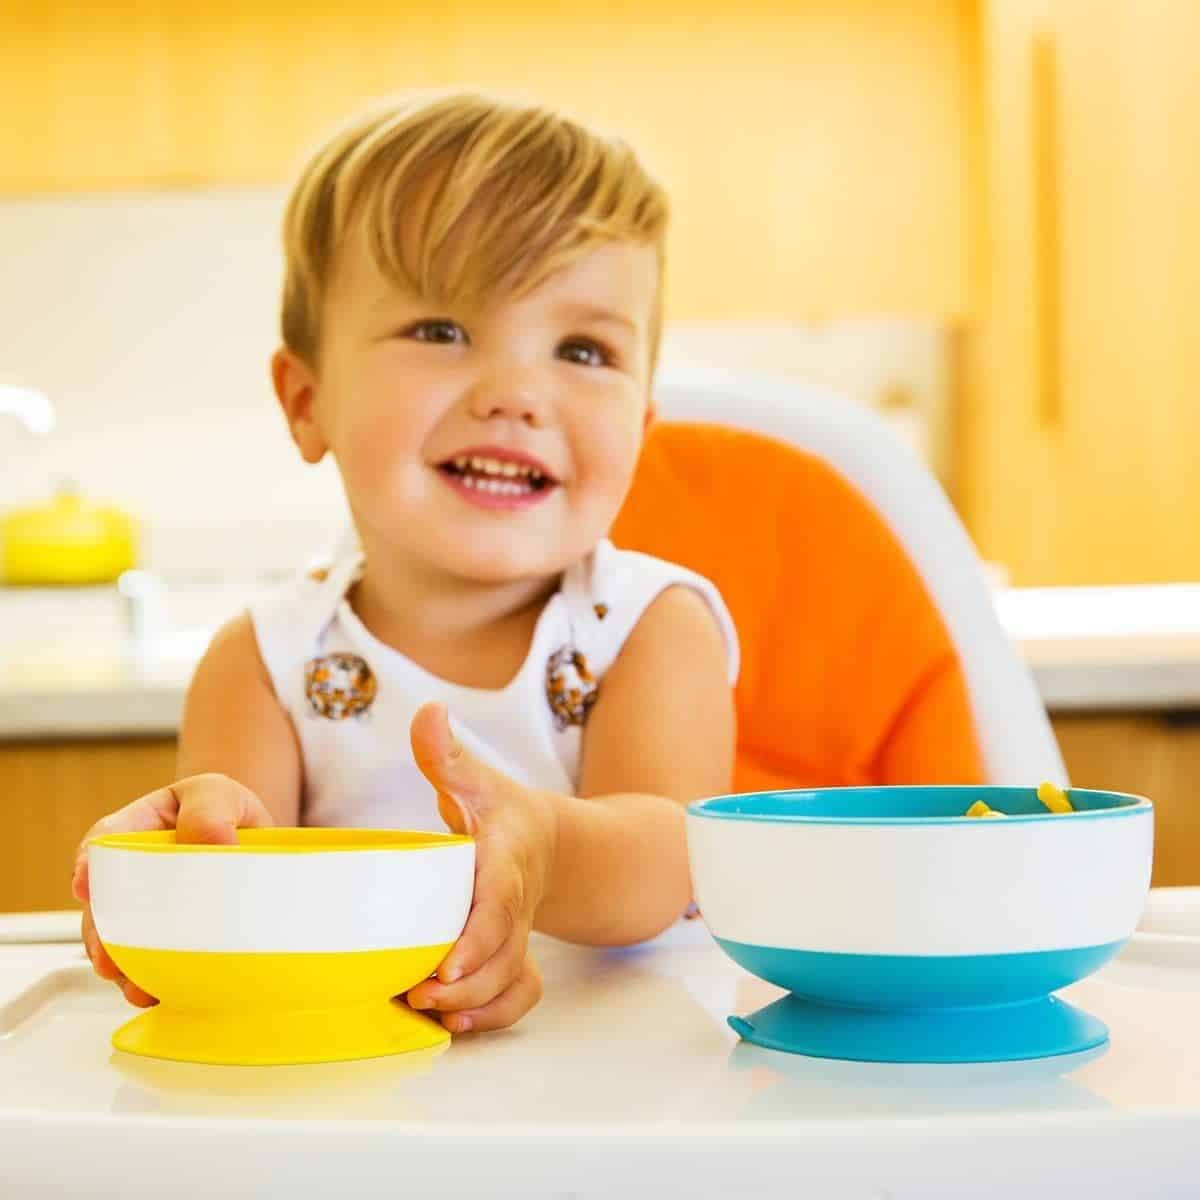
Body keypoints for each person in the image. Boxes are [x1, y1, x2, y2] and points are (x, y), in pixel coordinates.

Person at [71, 90, 738, 1037]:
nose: (515, 395)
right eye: (441, 332)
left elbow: (672, 860)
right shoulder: (264, 664)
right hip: (359, 1098)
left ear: (640, 421)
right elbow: (241, 899)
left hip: (623, 1088)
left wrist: (542, 846)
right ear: (306, 401)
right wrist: (179, 861)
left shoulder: (651, 626)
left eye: (582, 348)